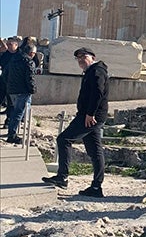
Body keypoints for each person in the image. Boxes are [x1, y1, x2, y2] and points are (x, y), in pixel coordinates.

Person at [43, 46, 109, 196]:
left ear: (92, 57)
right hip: (89, 115)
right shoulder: (91, 71)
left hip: (91, 116)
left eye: (83, 57)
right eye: (78, 58)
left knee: (64, 139)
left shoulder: (97, 70)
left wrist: (90, 113)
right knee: (95, 151)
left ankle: (62, 177)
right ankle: (96, 187)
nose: (80, 60)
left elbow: (98, 93)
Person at [4, 36, 37, 144]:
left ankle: (12, 131)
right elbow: (30, 78)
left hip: (12, 90)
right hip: (22, 91)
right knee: (18, 113)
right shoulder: (29, 62)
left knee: (15, 112)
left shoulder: (14, 59)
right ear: (31, 53)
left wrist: (9, 85)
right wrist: (33, 90)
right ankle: (12, 135)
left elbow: (5, 74)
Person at [0, 36, 22, 125]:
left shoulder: (20, 55)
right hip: (3, 80)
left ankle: (8, 121)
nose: (8, 46)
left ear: (16, 45)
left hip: (14, 82)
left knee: (11, 103)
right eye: (7, 44)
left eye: (10, 44)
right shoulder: (6, 54)